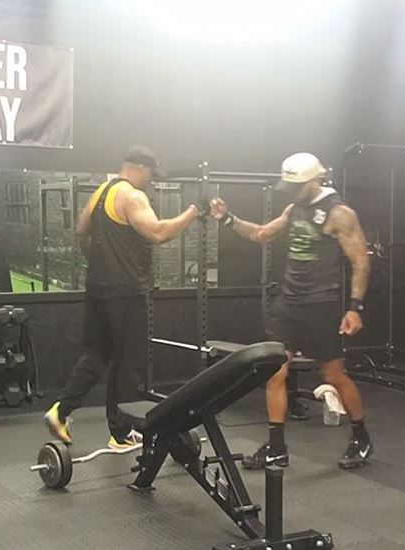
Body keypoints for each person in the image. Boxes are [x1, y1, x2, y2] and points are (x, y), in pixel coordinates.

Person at [44, 145, 213, 449]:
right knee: (127, 362)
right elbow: (158, 233)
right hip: (126, 292)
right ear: (139, 167)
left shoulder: (101, 192)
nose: (150, 180)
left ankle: (61, 411)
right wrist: (193, 211)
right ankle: (121, 433)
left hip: (98, 287)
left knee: (97, 354)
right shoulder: (132, 196)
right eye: (150, 174)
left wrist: (100, 264)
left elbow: (81, 232)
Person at [212, 152, 373, 470]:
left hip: (320, 304)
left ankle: (361, 437)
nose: (293, 192)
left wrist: (355, 307)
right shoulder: (294, 208)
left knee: (333, 375)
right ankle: (276, 448)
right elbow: (262, 235)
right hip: (289, 303)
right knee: (275, 371)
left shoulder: (339, 214)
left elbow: (360, 262)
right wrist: (227, 218)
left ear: (316, 180)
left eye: (298, 186)